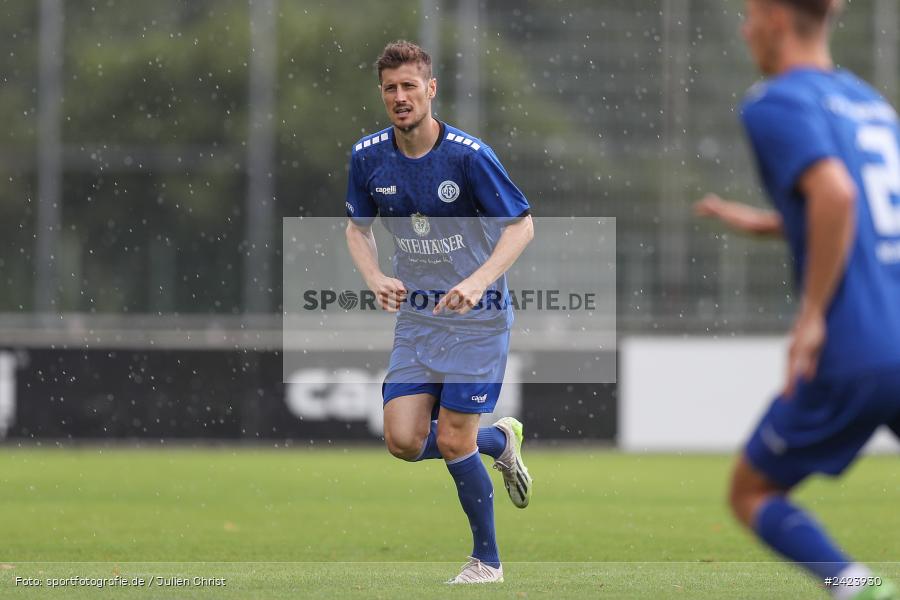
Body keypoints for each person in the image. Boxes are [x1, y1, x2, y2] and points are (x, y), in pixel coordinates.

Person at [696, 1, 900, 598]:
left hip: (857, 347)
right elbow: (868, 212)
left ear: (777, 20)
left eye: (749, 15)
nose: (745, 30)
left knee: (751, 491)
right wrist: (768, 224)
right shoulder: (870, 103)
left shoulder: (775, 101)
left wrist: (811, 318)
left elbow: (836, 196)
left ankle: (852, 585)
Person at [344, 40, 534, 584]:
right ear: (382, 94)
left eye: (409, 86)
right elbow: (357, 228)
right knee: (403, 441)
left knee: (452, 439)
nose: (400, 97)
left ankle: (487, 563)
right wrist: (375, 277)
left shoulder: (469, 157)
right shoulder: (367, 156)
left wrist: (477, 282)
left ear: (430, 89)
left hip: (478, 318)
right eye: (390, 88)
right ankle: (498, 442)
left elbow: (521, 226)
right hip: (419, 319)